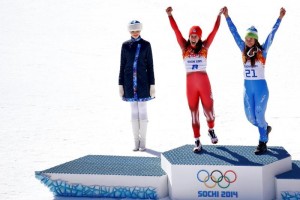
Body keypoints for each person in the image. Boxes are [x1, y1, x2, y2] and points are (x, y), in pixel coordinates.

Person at [222, 7, 286, 155]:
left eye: (251, 38)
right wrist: (227, 17)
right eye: (247, 38)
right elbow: (234, 33)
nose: (248, 40)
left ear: (255, 39)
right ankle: (265, 128)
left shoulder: (262, 51)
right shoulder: (243, 50)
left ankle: (262, 141)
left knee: (259, 114)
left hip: (260, 88)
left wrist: (280, 18)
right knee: (251, 118)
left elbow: (272, 34)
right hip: (247, 88)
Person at [166, 7, 223, 153]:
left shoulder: (205, 46)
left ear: (199, 37)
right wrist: (170, 15)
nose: (192, 38)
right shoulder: (184, 47)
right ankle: (197, 140)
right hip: (190, 84)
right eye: (191, 35)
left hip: (204, 82)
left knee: (209, 110)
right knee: (194, 112)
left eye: (195, 36)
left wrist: (218, 15)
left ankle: (211, 129)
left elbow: (214, 31)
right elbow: (176, 31)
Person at [118, 20, 155, 151]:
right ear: (129, 31)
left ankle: (143, 141)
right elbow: (122, 65)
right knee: (133, 111)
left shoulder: (146, 45)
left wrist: (152, 84)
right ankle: (136, 141)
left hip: (143, 83)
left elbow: (150, 66)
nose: (135, 33)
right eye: (133, 31)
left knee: (143, 111)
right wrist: (120, 83)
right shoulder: (125, 45)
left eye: (137, 31)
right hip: (129, 84)